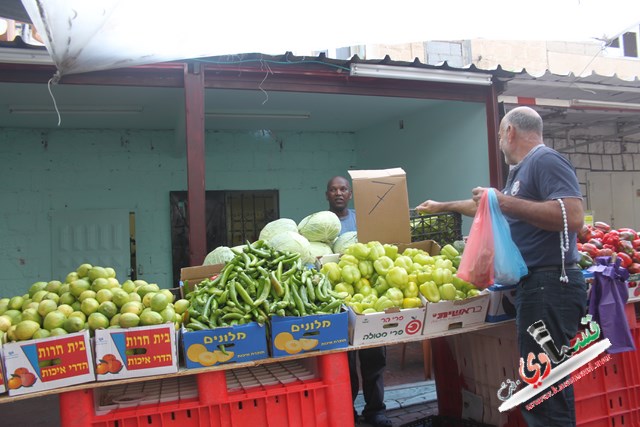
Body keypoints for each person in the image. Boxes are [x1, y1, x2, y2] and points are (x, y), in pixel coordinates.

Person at [416, 106, 587, 426]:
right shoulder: (521, 172)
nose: (499, 142)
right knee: (541, 383)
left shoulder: (545, 160)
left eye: (499, 135)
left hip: (551, 284)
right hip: (537, 286)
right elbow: (489, 205)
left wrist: (502, 200)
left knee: (545, 385)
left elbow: (573, 217)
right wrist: (443, 206)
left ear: (509, 132)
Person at [326, 176, 392, 427]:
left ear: (350, 194)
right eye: (333, 190)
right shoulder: (322, 224)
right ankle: (348, 409)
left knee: (375, 356)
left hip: (368, 295)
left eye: (343, 189)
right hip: (337, 300)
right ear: (327, 195)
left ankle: (376, 410)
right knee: (345, 363)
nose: (338, 193)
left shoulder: (363, 220)